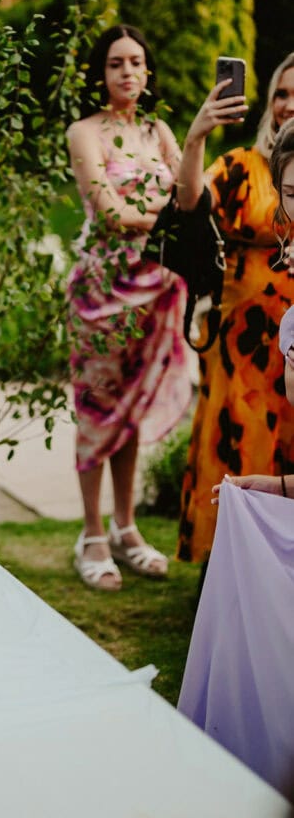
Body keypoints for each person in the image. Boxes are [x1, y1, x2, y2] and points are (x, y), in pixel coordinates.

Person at [66, 25, 192, 590]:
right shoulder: (84, 132)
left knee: (131, 412)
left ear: (147, 71)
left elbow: (192, 197)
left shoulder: (158, 131)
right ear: (102, 72)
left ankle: (125, 526)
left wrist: (195, 141)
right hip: (102, 291)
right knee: (98, 409)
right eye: (116, 63)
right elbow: (111, 212)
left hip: (154, 289)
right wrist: (168, 219)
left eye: (136, 62)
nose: (127, 72)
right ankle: (92, 533)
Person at [176, 54, 294, 563]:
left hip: (293, 338)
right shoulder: (244, 165)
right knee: (239, 444)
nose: (289, 105)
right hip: (242, 341)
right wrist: (196, 137)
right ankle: (229, 563)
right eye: (282, 94)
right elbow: (188, 204)